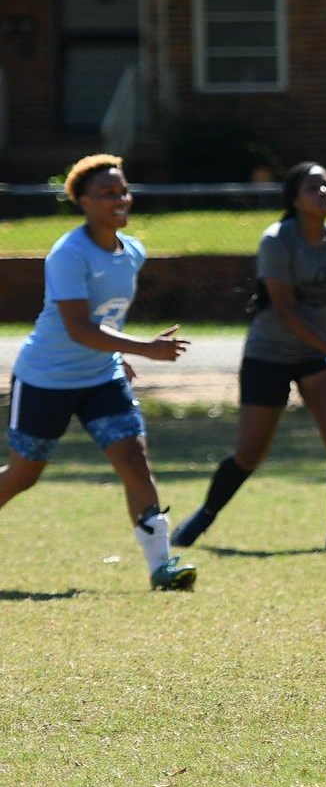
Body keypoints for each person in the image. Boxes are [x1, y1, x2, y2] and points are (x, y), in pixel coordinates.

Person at [172, 163, 326, 551]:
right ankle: (201, 518)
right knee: (249, 454)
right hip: (270, 355)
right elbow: (285, 311)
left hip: (318, 357)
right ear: (294, 198)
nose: (324, 193)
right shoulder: (277, 241)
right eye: (314, 187)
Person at [1, 155, 194, 590]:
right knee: (23, 474)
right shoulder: (69, 254)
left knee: (133, 458)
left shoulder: (133, 252)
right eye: (107, 193)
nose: (120, 199)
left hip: (100, 378)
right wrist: (143, 348)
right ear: (83, 202)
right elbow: (78, 327)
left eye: (123, 190)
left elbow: (107, 320)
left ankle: (162, 566)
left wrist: (119, 354)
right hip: (46, 379)